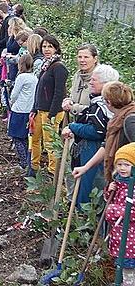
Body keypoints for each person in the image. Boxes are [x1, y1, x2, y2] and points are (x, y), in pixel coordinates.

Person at [62, 64, 119, 207]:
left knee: (91, 188)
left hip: (94, 152)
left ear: (106, 84)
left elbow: (97, 131)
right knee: (83, 186)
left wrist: (73, 127)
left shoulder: (105, 105)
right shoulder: (97, 101)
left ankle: (87, 221)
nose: (91, 83)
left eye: (94, 80)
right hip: (89, 151)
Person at [29, 35, 69, 176]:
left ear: (56, 48)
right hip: (40, 109)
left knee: (50, 143)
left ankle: (53, 172)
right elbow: (39, 88)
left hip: (51, 112)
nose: (46, 49)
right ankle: (34, 168)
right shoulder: (45, 65)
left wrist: (52, 114)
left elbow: (59, 92)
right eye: (44, 46)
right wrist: (34, 108)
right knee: (34, 139)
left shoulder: (59, 67)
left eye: (50, 47)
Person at [104, 143, 135, 285]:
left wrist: (113, 210)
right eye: (120, 164)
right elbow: (111, 199)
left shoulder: (133, 187)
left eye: (127, 165)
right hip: (119, 234)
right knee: (121, 264)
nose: (122, 168)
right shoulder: (119, 183)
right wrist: (109, 191)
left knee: (129, 266)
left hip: (130, 239)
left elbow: (131, 212)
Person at [98, 82, 135, 183]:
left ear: (109, 102)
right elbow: (106, 145)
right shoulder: (117, 118)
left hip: (128, 179)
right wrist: (85, 168)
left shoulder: (130, 120)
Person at [9, 54, 38, 171]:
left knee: (16, 137)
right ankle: (27, 160)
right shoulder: (35, 77)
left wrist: (11, 101)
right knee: (25, 137)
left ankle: (23, 162)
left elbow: (15, 94)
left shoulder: (21, 77)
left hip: (19, 109)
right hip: (29, 110)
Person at [63, 44, 100, 122]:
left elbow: (101, 108)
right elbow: (72, 97)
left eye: (86, 57)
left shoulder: (101, 77)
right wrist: (67, 101)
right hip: (76, 122)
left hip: (92, 124)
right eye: (80, 57)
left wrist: (74, 108)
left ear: (95, 59)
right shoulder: (78, 75)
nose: (82, 60)